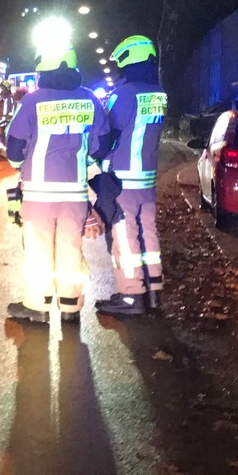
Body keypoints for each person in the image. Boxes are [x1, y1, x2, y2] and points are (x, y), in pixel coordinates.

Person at [5, 47, 113, 324]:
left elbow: (15, 147)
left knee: (39, 249)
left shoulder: (32, 101)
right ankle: (70, 307)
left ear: (44, 73)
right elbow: (101, 143)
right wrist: (83, 160)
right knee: (70, 248)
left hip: (38, 193)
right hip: (74, 192)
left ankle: (38, 307)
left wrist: (19, 165)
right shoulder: (89, 99)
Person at [96, 35, 167, 315]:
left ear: (129, 59)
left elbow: (106, 135)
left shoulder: (123, 94)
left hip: (122, 177)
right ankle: (153, 289)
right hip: (146, 178)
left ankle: (131, 294)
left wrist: (97, 157)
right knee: (147, 232)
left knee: (124, 235)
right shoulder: (158, 93)